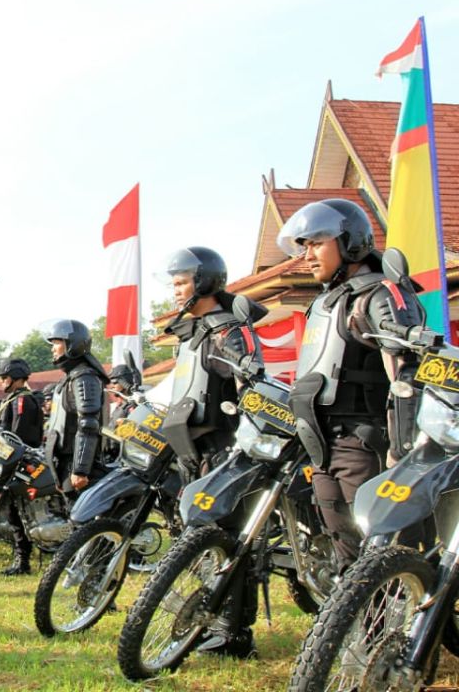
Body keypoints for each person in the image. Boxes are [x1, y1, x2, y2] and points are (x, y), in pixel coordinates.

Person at [277, 199, 425, 568]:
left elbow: (406, 371)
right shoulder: (325, 302)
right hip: (323, 446)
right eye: (304, 246)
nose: (307, 255)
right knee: (347, 556)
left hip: (366, 444)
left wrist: (402, 449)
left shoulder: (378, 294)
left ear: (350, 242)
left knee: (386, 556)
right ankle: (353, 624)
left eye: (316, 244)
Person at [158, 246, 265, 658]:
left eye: (181, 282)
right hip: (193, 451)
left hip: (223, 451)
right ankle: (207, 621)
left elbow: (250, 381)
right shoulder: (192, 332)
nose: (174, 291)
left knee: (232, 544)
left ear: (203, 282)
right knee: (201, 543)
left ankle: (235, 634)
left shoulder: (227, 330)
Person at [46, 321, 109, 499]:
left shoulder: (84, 378)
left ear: (72, 344)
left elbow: (88, 425)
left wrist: (80, 469)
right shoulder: (70, 378)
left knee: (81, 523)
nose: (53, 348)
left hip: (79, 468)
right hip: (66, 464)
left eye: (57, 342)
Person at [0, 357, 43, 575]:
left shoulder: (22, 400)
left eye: (4, 377)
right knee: (13, 511)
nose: (1, 381)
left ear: (14, 378)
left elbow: (15, 436)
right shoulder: (14, 399)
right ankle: (21, 559)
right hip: (12, 462)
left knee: (17, 512)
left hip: (20, 464)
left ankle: (23, 561)